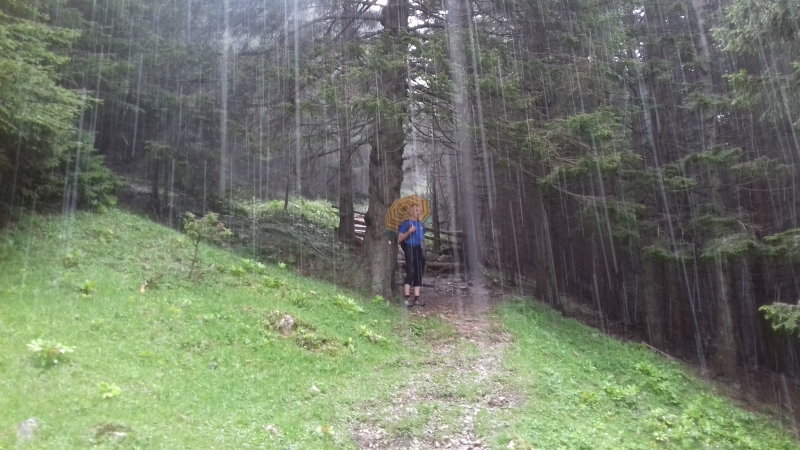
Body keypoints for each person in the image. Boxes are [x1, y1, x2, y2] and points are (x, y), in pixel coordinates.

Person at [398, 204, 426, 307]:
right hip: (409, 247)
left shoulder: (421, 224)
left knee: (418, 273)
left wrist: (425, 250)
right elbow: (400, 238)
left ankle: (416, 298)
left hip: (420, 249)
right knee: (410, 271)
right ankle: (407, 297)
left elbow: (423, 238)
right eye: (416, 210)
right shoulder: (406, 223)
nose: (418, 212)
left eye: (420, 210)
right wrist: (409, 231)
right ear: (411, 211)